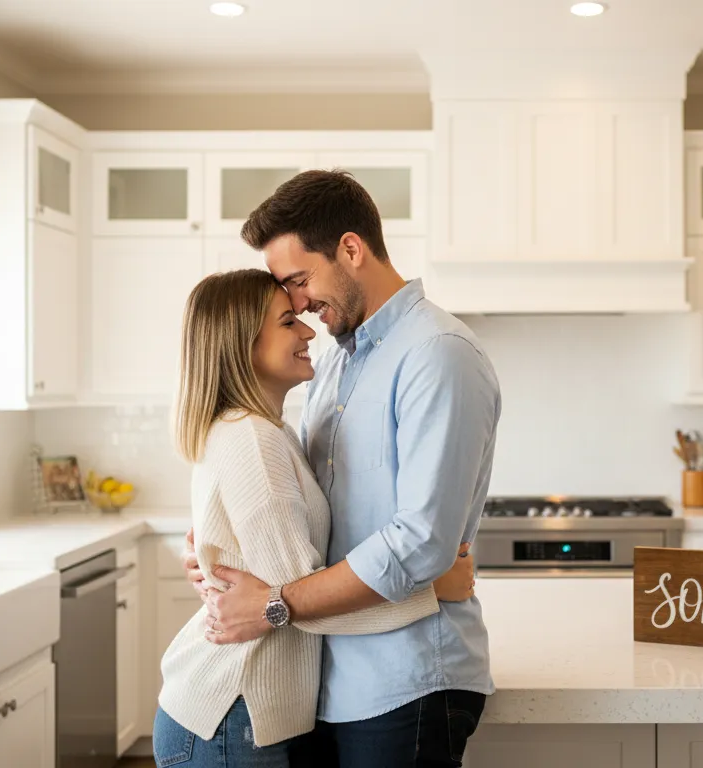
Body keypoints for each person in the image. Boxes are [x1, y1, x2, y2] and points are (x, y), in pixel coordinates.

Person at [183, 169, 501, 767]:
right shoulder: (334, 364)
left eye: (299, 280)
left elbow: (420, 543)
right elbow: (296, 507)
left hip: (406, 678)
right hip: (330, 677)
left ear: (351, 249)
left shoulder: (438, 355)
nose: (298, 305)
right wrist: (218, 548)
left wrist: (274, 602)